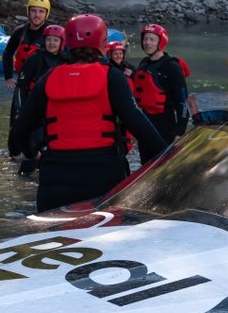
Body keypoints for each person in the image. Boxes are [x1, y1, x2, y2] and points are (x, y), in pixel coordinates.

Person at [10, 14, 167, 211]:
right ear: (102, 43)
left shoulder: (48, 79)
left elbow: (19, 131)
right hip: (103, 180)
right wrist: (169, 159)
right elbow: (142, 129)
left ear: (67, 41)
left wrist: (34, 154)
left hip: (55, 181)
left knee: (56, 240)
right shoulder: (113, 78)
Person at [2, 0, 53, 138]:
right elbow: (7, 53)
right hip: (22, 85)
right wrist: (8, 77)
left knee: (41, 123)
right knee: (16, 120)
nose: (37, 15)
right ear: (28, 12)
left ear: (46, 14)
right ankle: (15, 151)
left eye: (41, 11)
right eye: (34, 11)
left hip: (43, 85)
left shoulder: (51, 33)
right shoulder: (20, 31)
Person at [131, 23, 190, 146]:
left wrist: (180, 133)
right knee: (146, 164)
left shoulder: (171, 66)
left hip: (166, 127)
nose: (147, 43)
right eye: (145, 39)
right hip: (146, 124)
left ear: (161, 42)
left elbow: (183, 103)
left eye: (152, 39)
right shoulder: (144, 64)